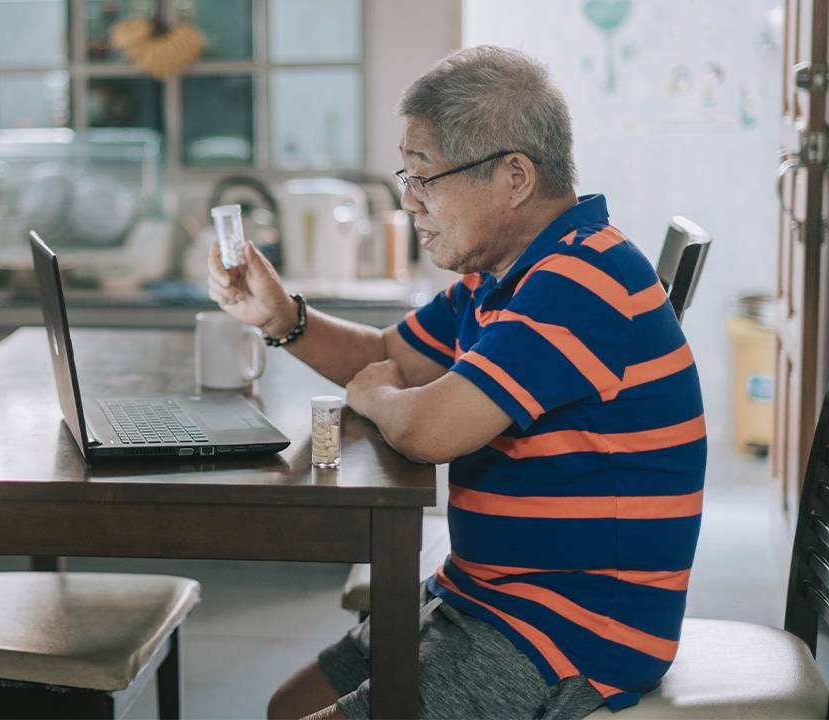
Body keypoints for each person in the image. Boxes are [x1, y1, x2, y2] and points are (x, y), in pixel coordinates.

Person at [207, 46, 706, 720]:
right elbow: (388, 354)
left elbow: (427, 430)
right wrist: (281, 318)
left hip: (568, 628)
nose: (409, 202)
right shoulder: (502, 274)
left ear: (515, 177)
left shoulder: (583, 279)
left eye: (425, 178)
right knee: (286, 707)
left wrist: (375, 397)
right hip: (484, 593)